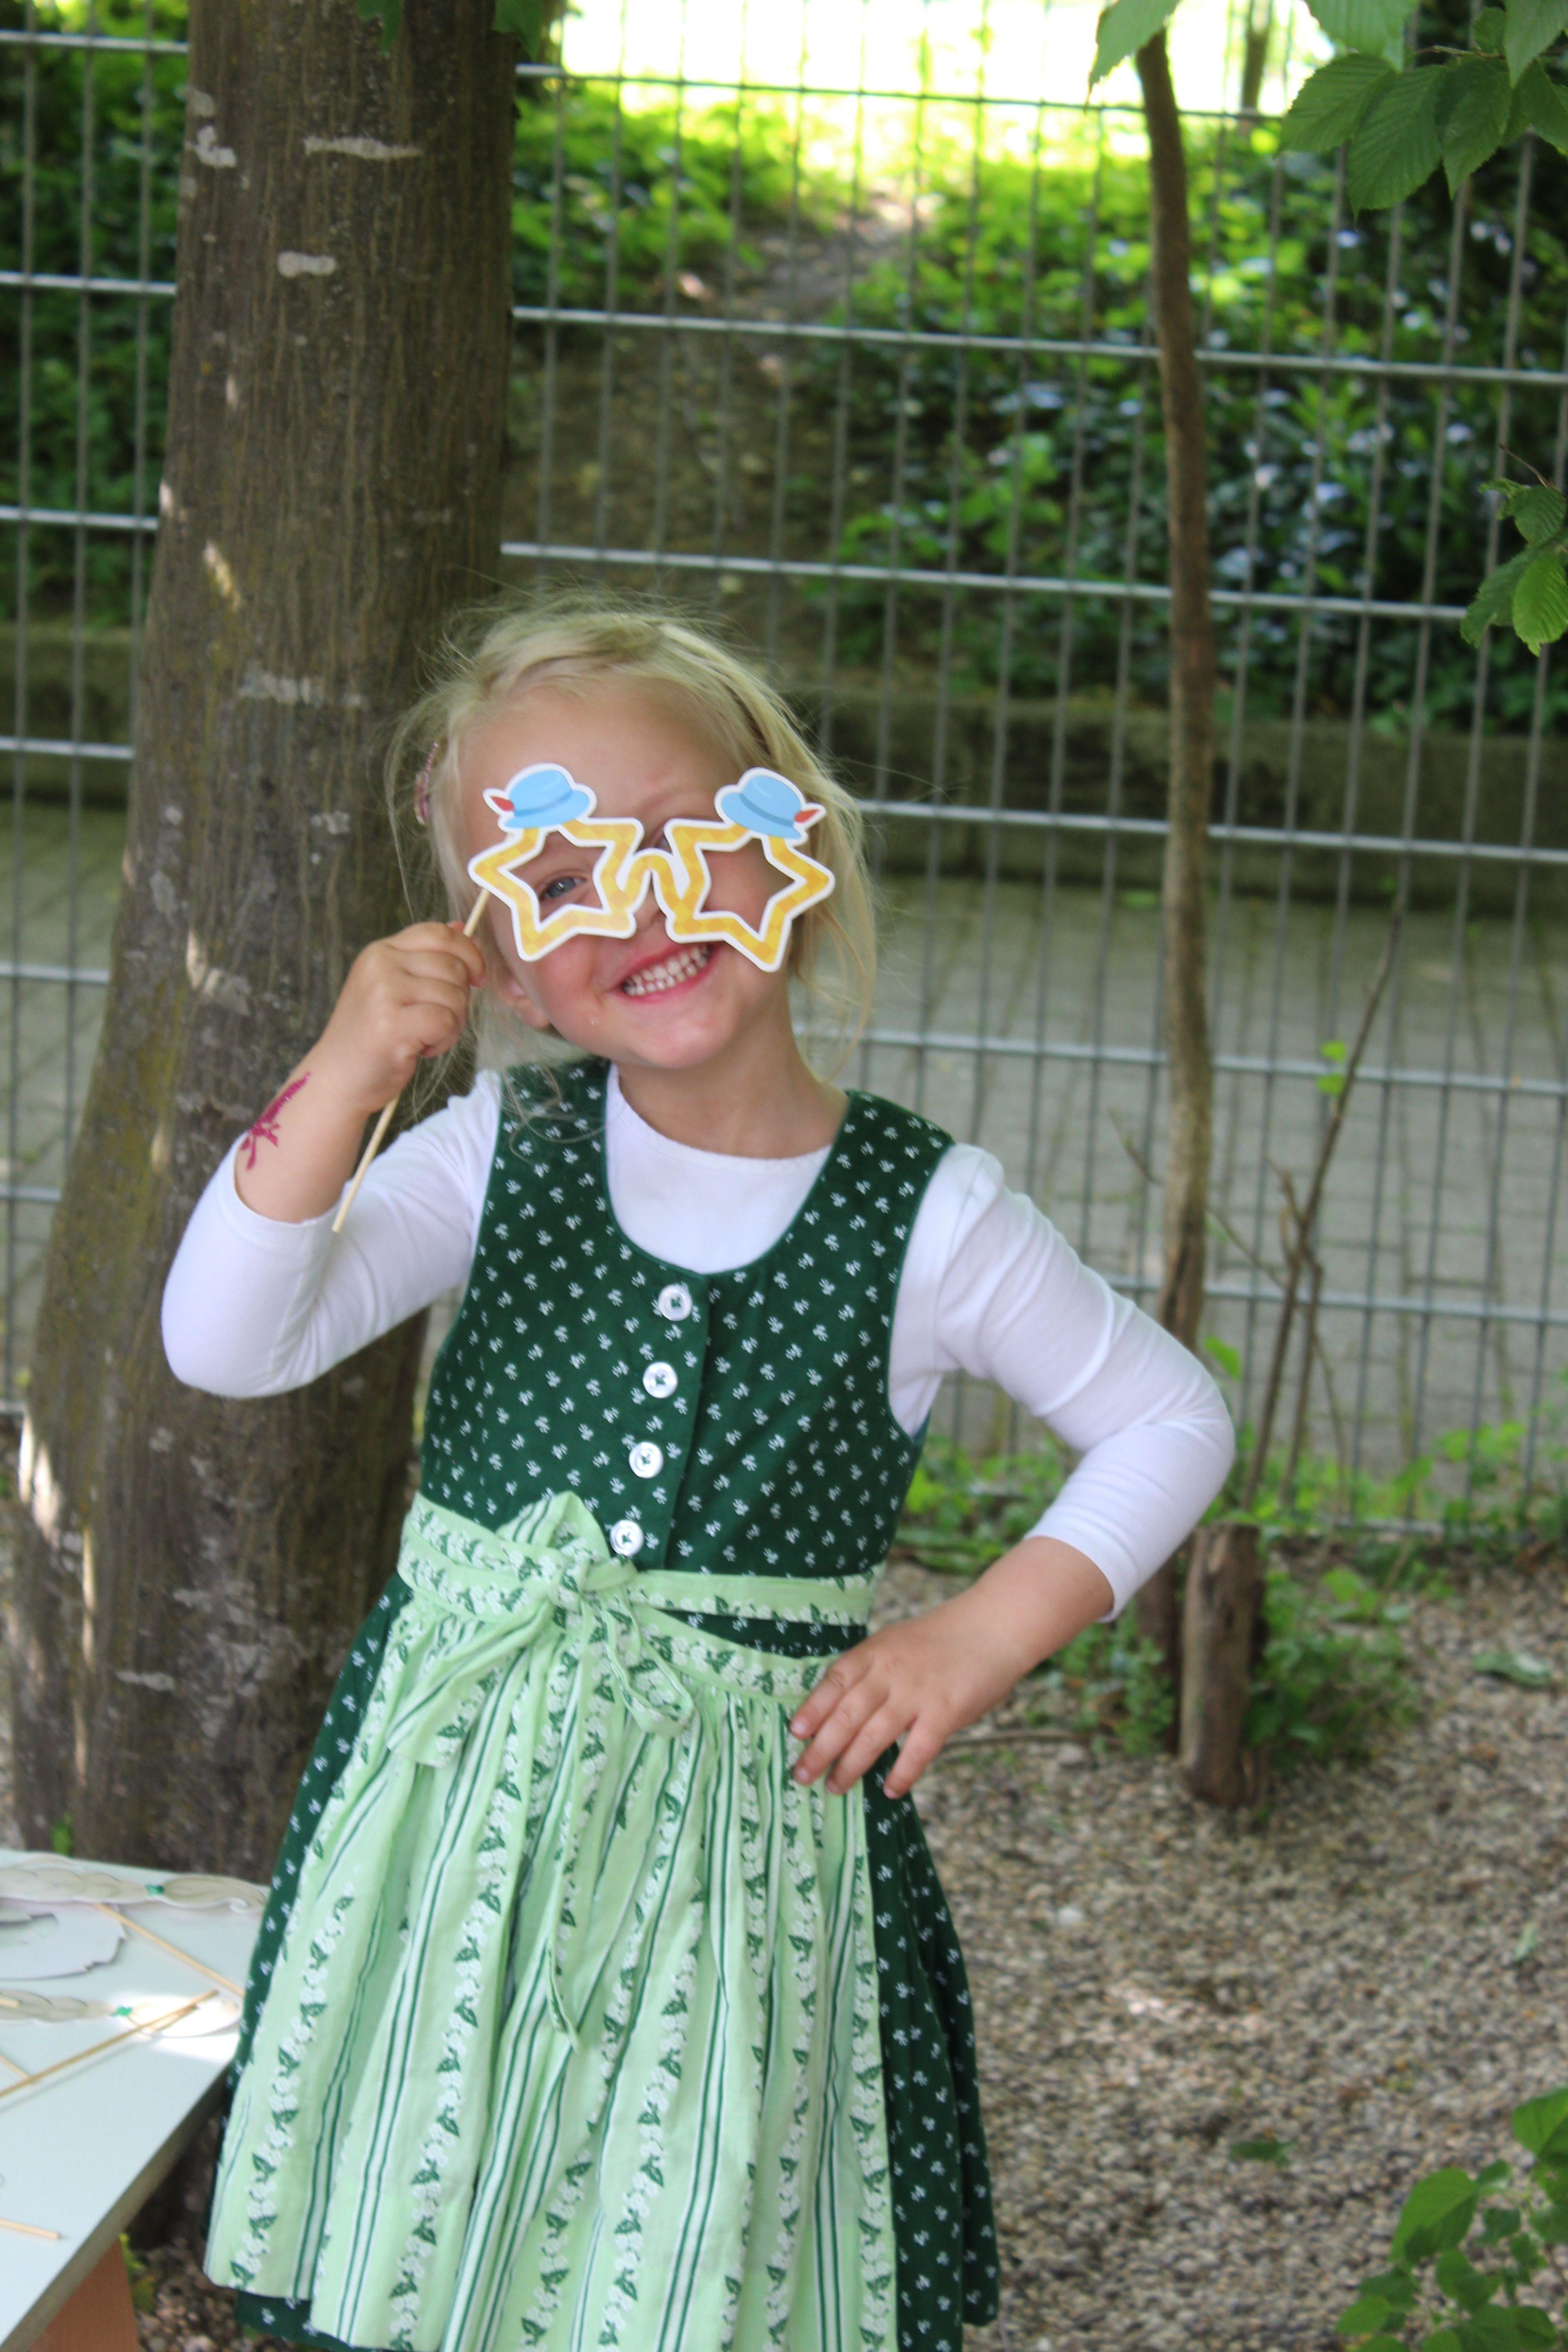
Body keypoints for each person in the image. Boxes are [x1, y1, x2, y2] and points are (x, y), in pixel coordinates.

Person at [162, 600, 1234, 2352]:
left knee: (704, 2229)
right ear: (508, 967)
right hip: (464, 1839)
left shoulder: (930, 1218)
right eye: (560, 875)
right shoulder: (495, 1152)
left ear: (795, 847)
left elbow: (1172, 1417)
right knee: (443, 2198)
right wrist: (347, 1071)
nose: (640, 905)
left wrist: (977, 1637)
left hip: (749, 1866)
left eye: (679, 837)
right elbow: (226, 1341)